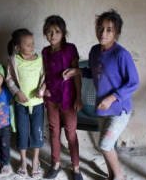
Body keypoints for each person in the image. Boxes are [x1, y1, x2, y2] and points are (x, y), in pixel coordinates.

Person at [89, 9, 139, 180]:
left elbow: (133, 82)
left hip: (119, 109)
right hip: (103, 108)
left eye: (109, 29)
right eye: (100, 28)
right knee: (106, 145)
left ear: (116, 33)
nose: (103, 33)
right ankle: (111, 175)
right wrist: (77, 71)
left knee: (105, 145)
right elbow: (95, 72)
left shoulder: (121, 55)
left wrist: (111, 98)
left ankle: (119, 177)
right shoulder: (95, 51)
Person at [41, 15, 83, 180]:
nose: (53, 35)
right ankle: (56, 164)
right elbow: (45, 74)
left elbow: (76, 75)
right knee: (54, 132)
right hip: (52, 99)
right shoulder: (45, 52)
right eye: (49, 32)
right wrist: (44, 90)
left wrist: (78, 97)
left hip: (68, 99)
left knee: (71, 133)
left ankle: (76, 168)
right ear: (45, 33)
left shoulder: (70, 49)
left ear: (63, 32)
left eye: (57, 31)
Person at [5, 29, 46, 178]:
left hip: (37, 103)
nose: (32, 47)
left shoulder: (40, 59)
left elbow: (45, 77)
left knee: (37, 132)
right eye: (27, 45)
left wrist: (42, 88)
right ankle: (23, 161)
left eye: (32, 43)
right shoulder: (13, 60)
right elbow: (8, 79)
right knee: (22, 132)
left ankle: (35, 160)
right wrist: (17, 92)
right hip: (20, 104)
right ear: (17, 47)